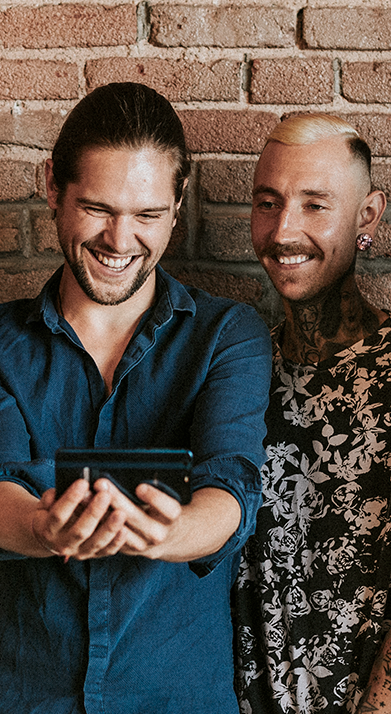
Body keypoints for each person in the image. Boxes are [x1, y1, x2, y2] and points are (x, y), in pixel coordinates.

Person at [0, 82, 272, 714]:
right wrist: (42, 528)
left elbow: (231, 486)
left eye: (148, 216)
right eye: (97, 208)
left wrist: (171, 532)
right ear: (53, 190)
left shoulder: (227, 335)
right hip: (23, 695)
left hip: (177, 697)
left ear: (177, 206)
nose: (120, 241)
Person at [233, 114, 391, 713]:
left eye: (315, 205)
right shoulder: (241, 369)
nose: (283, 231)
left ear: (368, 216)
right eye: (267, 203)